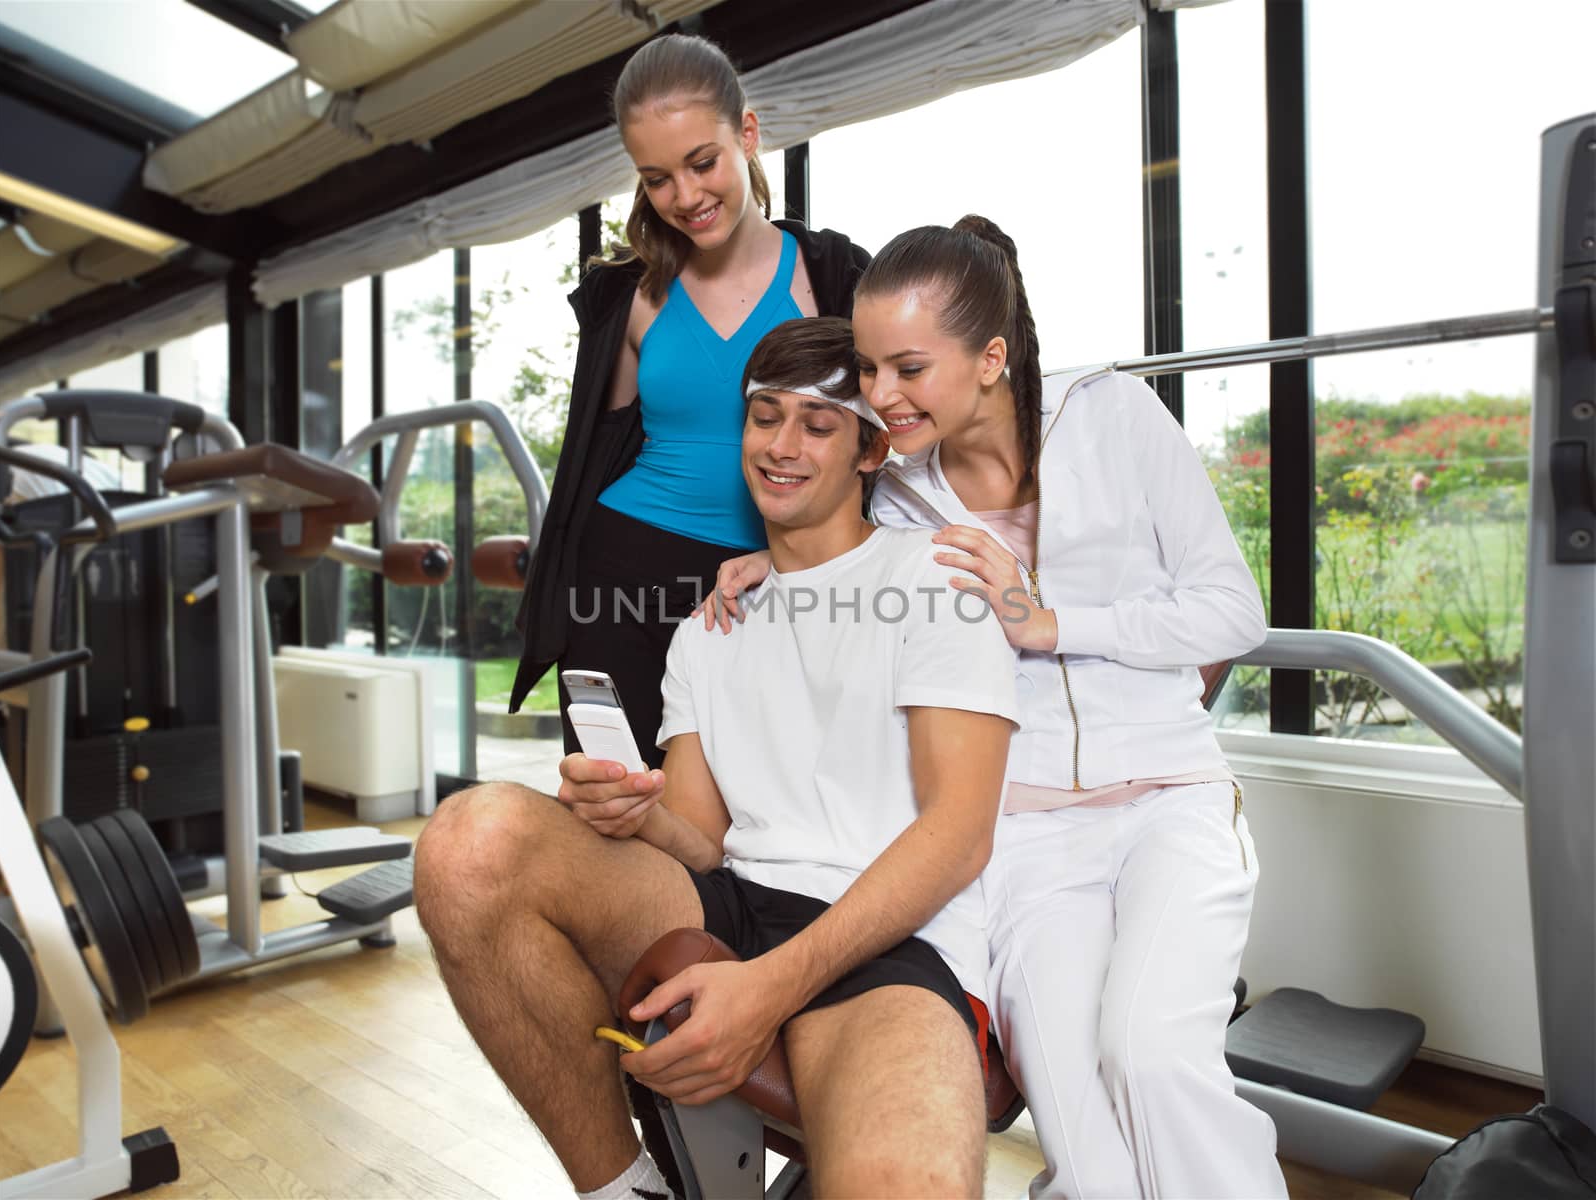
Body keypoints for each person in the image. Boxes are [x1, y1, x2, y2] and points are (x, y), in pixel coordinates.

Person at [699, 217, 1287, 1198]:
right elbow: (842, 551)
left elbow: (1232, 610)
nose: (879, 396)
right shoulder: (898, 493)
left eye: (907, 368)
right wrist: (774, 562)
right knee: (1081, 1134)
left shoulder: (1115, 417)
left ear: (991, 359)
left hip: (1168, 801)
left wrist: (1047, 620)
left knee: (1149, 1057)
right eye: (869, 369)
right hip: (1022, 839)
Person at [417, 316, 1018, 1199]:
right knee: (472, 841)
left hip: (889, 938)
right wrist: (634, 812)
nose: (780, 446)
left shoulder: (936, 582)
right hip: (735, 901)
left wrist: (769, 988)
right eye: (764, 416)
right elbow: (702, 840)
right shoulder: (711, 626)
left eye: (816, 425)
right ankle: (624, 1188)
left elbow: (959, 835)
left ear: (868, 449)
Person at [508, 33, 870, 772]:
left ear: (748, 133)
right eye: (657, 178)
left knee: (756, 823)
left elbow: (879, 444)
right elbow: (599, 449)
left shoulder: (833, 276)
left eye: (702, 163)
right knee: (619, 811)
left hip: (776, 577)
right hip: (620, 577)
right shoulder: (631, 297)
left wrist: (809, 557)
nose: (686, 197)